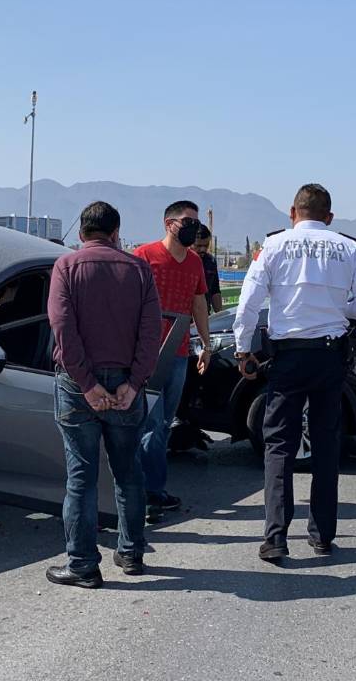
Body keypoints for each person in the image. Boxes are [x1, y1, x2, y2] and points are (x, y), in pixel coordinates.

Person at [233, 183, 356, 562]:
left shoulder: (273, 245)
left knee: (279, 446)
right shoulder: (347, 247)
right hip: (330, 357)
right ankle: (322, 537)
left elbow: (249, 303)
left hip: (287, 358)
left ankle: (276, 538)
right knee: (326, 445)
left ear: (292, 213)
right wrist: (336, 310)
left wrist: (242, 348)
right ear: (329, 217)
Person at [45, 201, 163, 588]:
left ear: (81, 234)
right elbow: (150, 333)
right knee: (129, 471)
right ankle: (131, 553)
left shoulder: (66, 267)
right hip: (128, 383)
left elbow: (62, 327)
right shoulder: (139, 270)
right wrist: (133, 384)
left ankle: (81, 564)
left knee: (81, 477)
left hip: (78, 386)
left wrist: (87, 384)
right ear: (116, 233)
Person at [134, 200, 213, 523]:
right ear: (169, 224)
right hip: (147, 353)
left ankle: (148, 488)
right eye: (187, 221)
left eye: (196, 221)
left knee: (163, 424)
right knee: (150, 425)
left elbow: (199, 304)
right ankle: (149, 492)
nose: (193, 227)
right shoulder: (143, 256)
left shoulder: (195, 262)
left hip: (178, 354)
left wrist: (206, 345)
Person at [193, 225, 224, 313]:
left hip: (204, 315)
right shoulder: (183, 260)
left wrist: (220, 315)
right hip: (186, 318)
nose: (203, 249)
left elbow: (215, 290)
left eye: (206, 245)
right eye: (198, 246)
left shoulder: (210, 261)